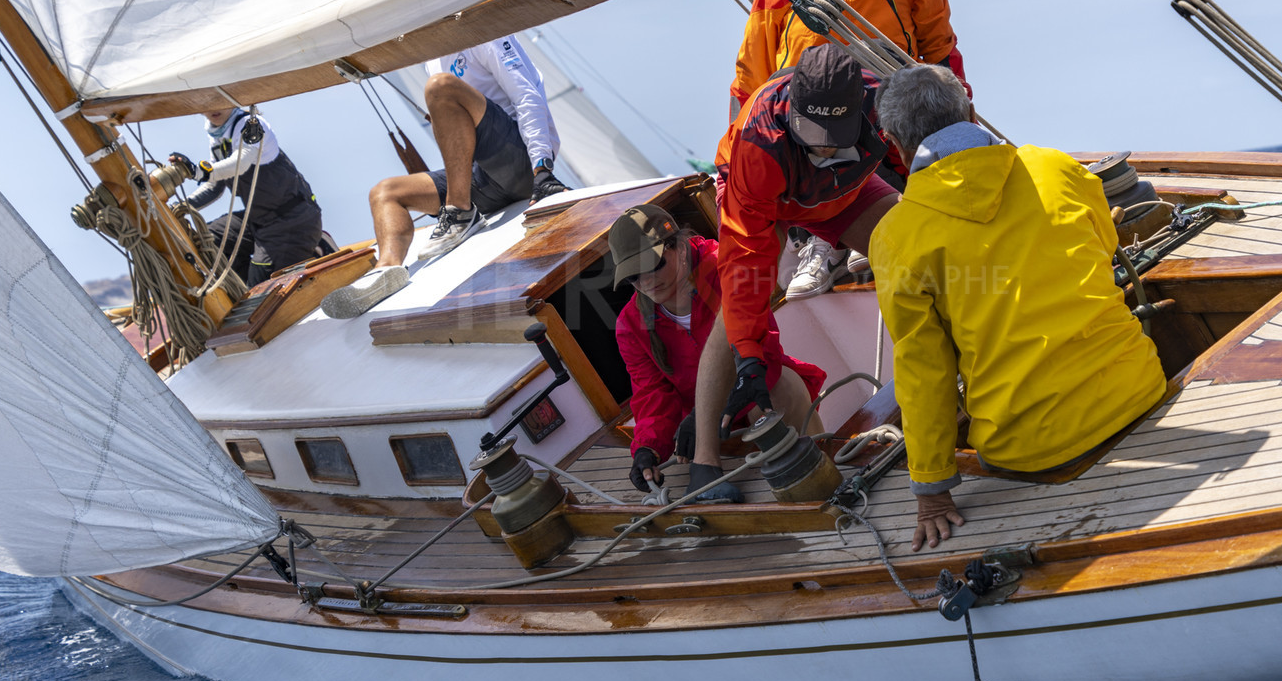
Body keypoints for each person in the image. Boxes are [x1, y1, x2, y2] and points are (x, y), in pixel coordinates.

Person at [866, 65, 1167, 552]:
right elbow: (1103, 241)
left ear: (893, 143)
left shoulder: (895, 238)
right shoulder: (1053, 167)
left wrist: (931, 491)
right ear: (970, 107)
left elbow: (925, 372)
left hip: (1032, 449)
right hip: (1137, 390)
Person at [730, 0, 970, 299]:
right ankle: (826, 245)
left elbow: (943, 63)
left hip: (896, 141)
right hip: (813, 152)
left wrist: (961, 135)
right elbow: (751, 80)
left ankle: (868, 233)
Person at [701, 43, 898, 448]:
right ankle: (705, 453)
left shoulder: (888, 101)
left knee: (918, 248)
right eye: (813, 137)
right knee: (739, 310)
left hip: (844, 191)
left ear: (861, 105)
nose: (824, 148)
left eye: (835, 139)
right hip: (769, 198)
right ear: (792, 110)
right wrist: (750, 359)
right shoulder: (759, 145)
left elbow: (930, 165)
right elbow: (745, 262)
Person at [322, 35, 568, 319]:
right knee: (384, 193)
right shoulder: (433, 58)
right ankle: (385, 271)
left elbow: (527, 94)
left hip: (521, 164)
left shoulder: (485, 34)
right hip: (484, 177)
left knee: (440, 87)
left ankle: (460, 213)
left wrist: (542, 170)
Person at [610, 204, 825, 503]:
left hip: (755, 400)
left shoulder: (727, 266)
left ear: (680, 247)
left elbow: (764, 352)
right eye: (633, 277)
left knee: (778, 386)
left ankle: (819, 479)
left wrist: (704, 416)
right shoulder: (629, 325)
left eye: (654, 265)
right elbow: (652, 394)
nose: (646, 282)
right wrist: (647, 448)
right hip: (703, 439)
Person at [170, 106, 323, 286]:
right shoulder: (217, 136)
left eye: (218, 100)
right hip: (258, 219)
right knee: (207, 240)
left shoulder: (253, 124)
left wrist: (198, 172)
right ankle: (243, 291)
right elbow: (215, 187)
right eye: (206, 103)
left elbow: (241, 162)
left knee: (262, 286)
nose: (213, 107)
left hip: (290, 222)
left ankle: (300, 259)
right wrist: (177, 208)